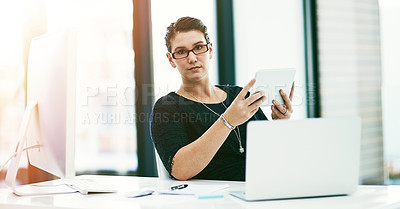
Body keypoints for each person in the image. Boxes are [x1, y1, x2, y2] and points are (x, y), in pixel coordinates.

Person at [150, 16, 294, 181]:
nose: (192, 58)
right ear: (171, 60)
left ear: (210, 50)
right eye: (181, 52)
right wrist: (228, 121)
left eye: (198, 47)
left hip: (260, 187)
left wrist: (280, 123)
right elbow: (180, 170)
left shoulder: (239, 97)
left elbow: (270, 155)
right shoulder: (167, 107)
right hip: (211, 199)